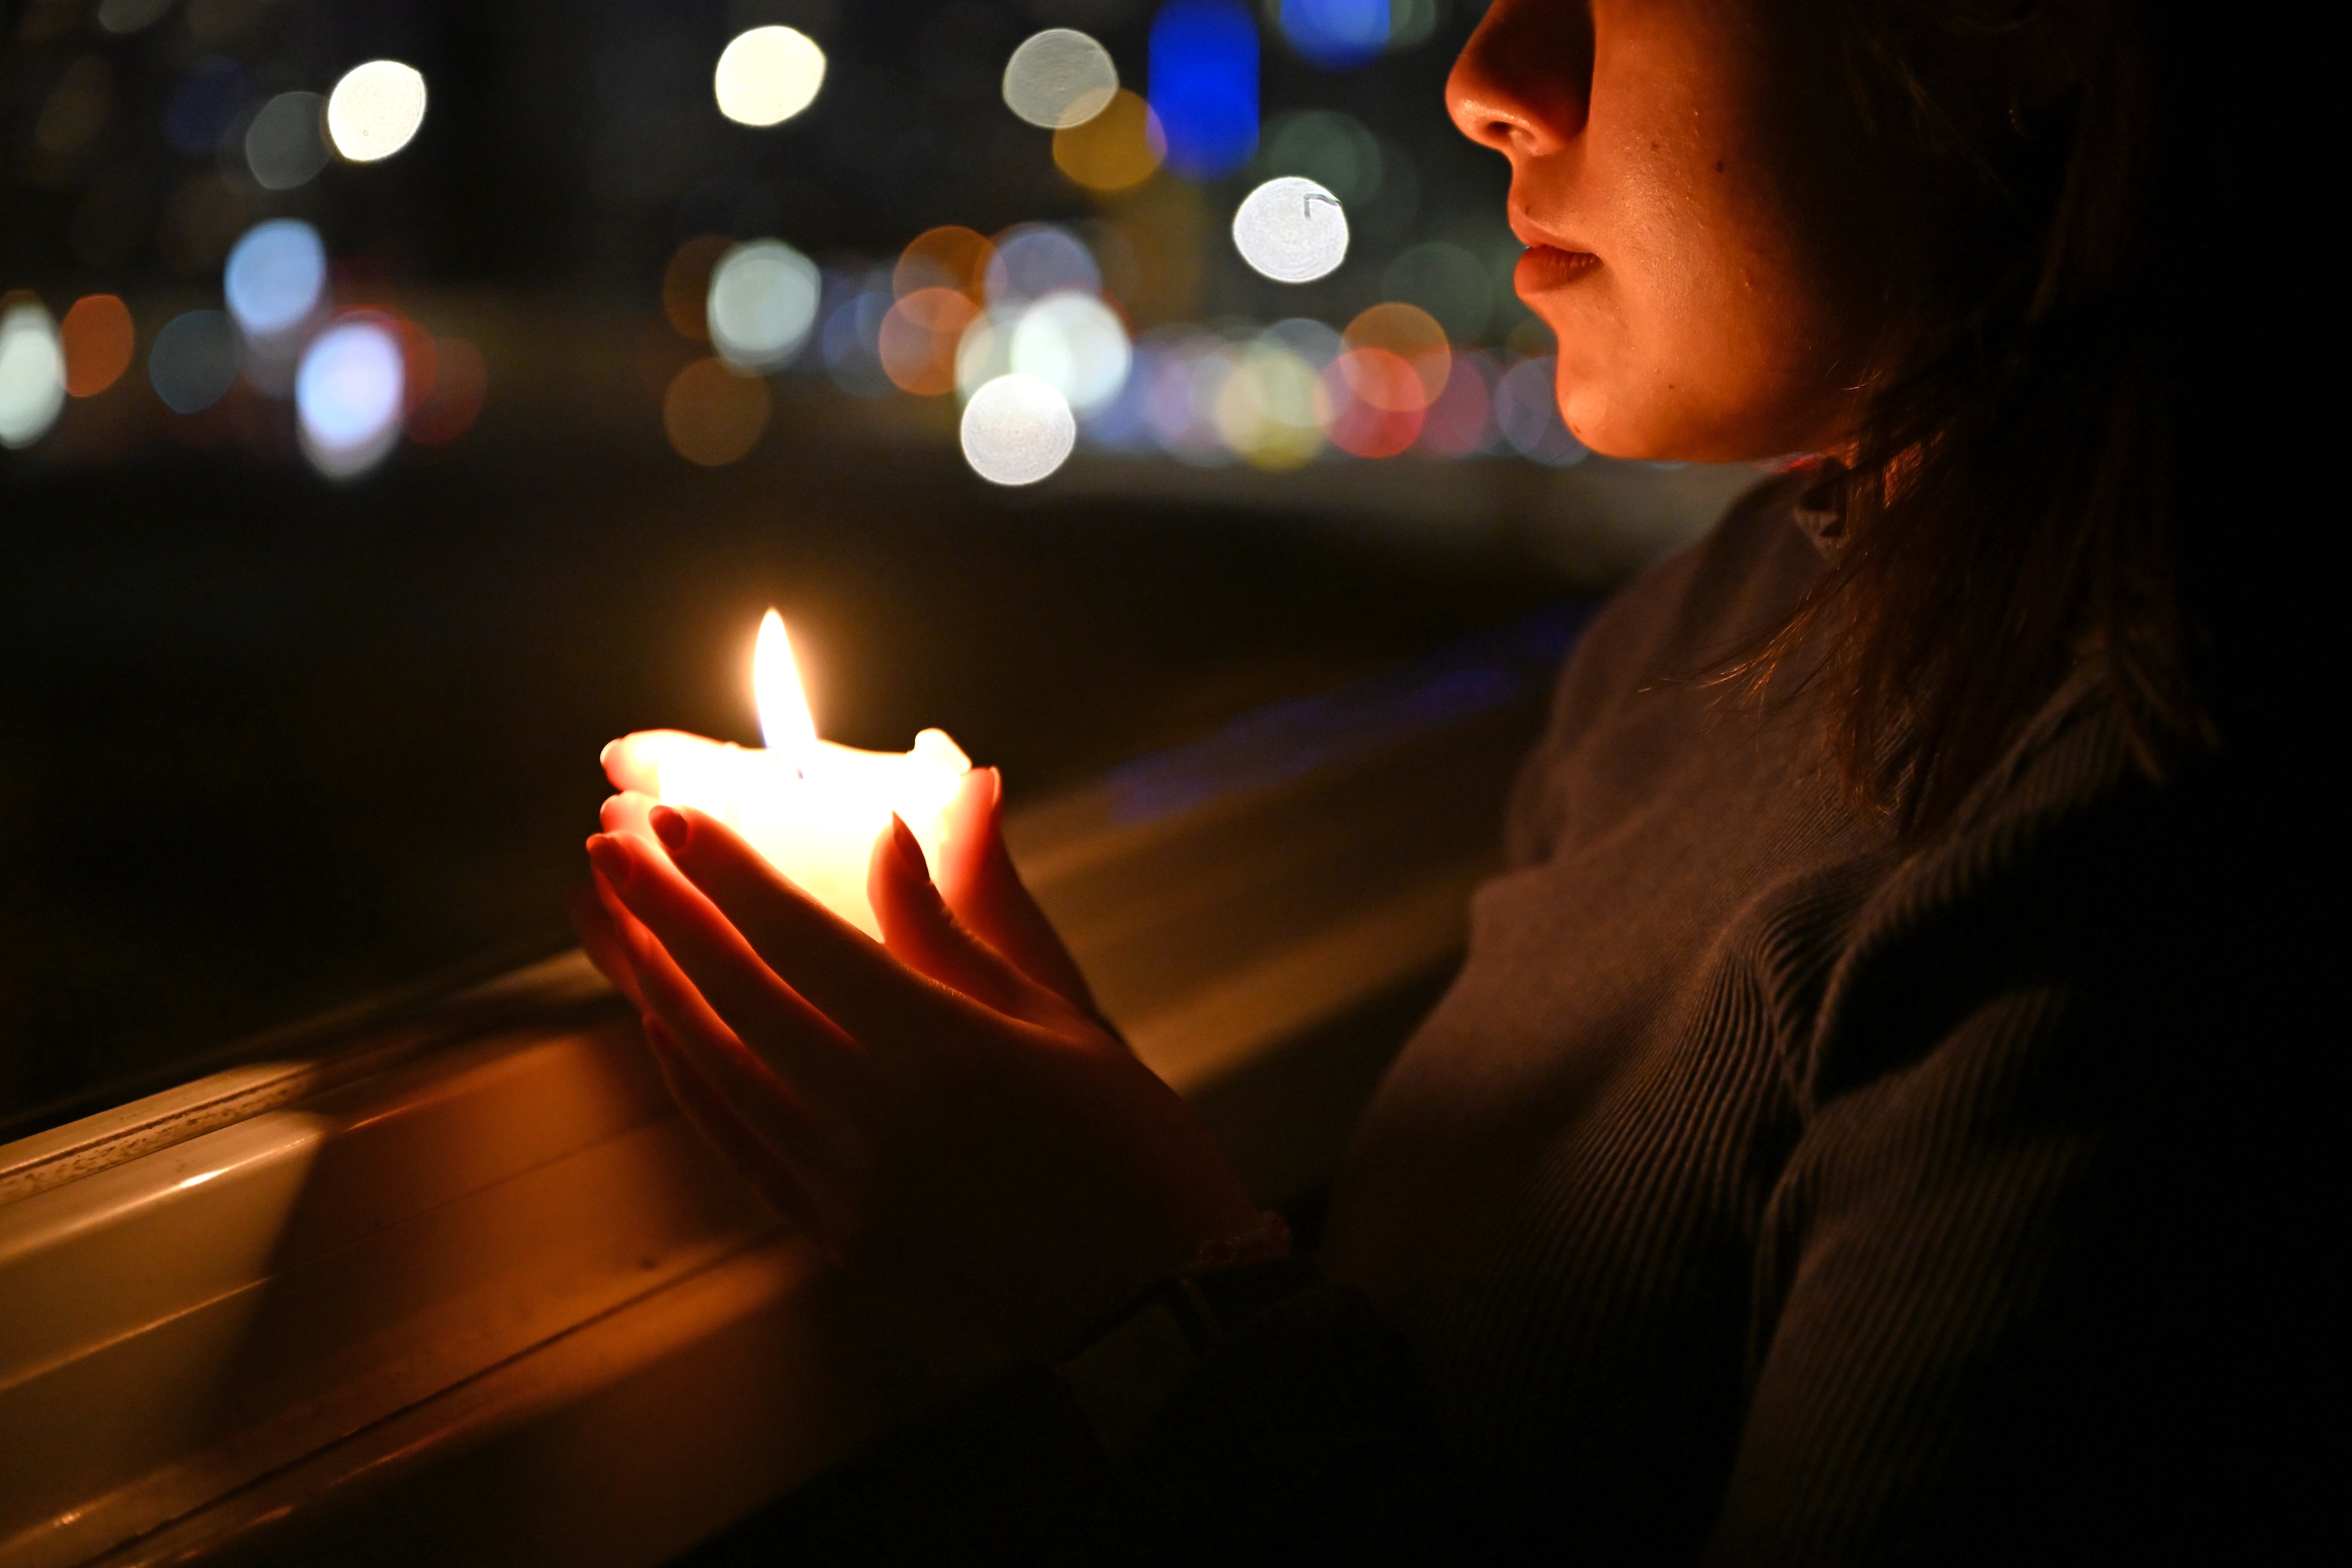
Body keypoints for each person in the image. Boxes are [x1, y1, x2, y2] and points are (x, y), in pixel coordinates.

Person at [576, 0, 2307, 1559]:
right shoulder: (1698, 638)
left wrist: (1143, 1295)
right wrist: (1065, 1107)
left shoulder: (2132, 858)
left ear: (2032, 35)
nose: (1492, 78)